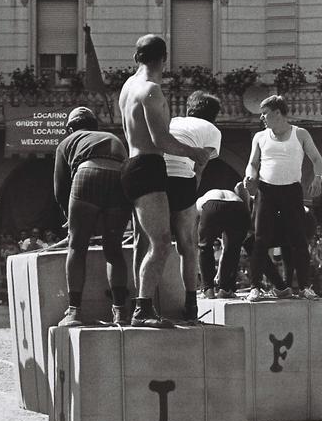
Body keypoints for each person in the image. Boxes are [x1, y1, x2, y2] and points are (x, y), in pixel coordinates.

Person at [118, 35, 209, 327]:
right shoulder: (152, 91)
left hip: (131, 164)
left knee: (142, 243)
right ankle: (142, 309)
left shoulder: (128, 87)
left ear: (137, 58)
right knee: (161, 243)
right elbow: (162, 140)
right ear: (164, 59)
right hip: (148, 166)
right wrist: (194, 152)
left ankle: (137, 305)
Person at [52, 106, 132, 326]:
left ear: (70, 128)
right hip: (121, 179)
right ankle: (120, 311)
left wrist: (70, 218)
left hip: (87, 173)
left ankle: (74, 311)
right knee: (113, 249)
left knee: (77, 246)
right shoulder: (112, 137)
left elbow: (60, 190)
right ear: (94, 125)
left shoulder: (66, 142)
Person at [244, 94, 322, 301]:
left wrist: (318, 178)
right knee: (260, 240)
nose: (262, 118)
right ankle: (255, 287)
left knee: (298, 239)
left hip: (291, 191)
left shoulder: (300, 134)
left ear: (278, 113)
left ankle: (305, 287)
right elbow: (253, 163)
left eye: (265, 114)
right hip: (266, 191)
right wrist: (249, 176)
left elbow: (317, 159)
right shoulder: (260, 137)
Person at [157, 91, 222, 322]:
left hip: (154, 176)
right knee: (188, 244)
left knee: (154, 243)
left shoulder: (174, 121)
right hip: (181, 178)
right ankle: (191, 303)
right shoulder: (211, 130)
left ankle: (146, 302)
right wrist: (189, 196)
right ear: (213, 115)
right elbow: (200, 164)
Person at [197, 182, 251, 299]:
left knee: (205, 247)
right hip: (239, 207)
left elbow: (199, 238)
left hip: (213, 204)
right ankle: (226, 290)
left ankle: (208, 289)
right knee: (233, 250)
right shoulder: (233, 194)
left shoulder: (201, 201)